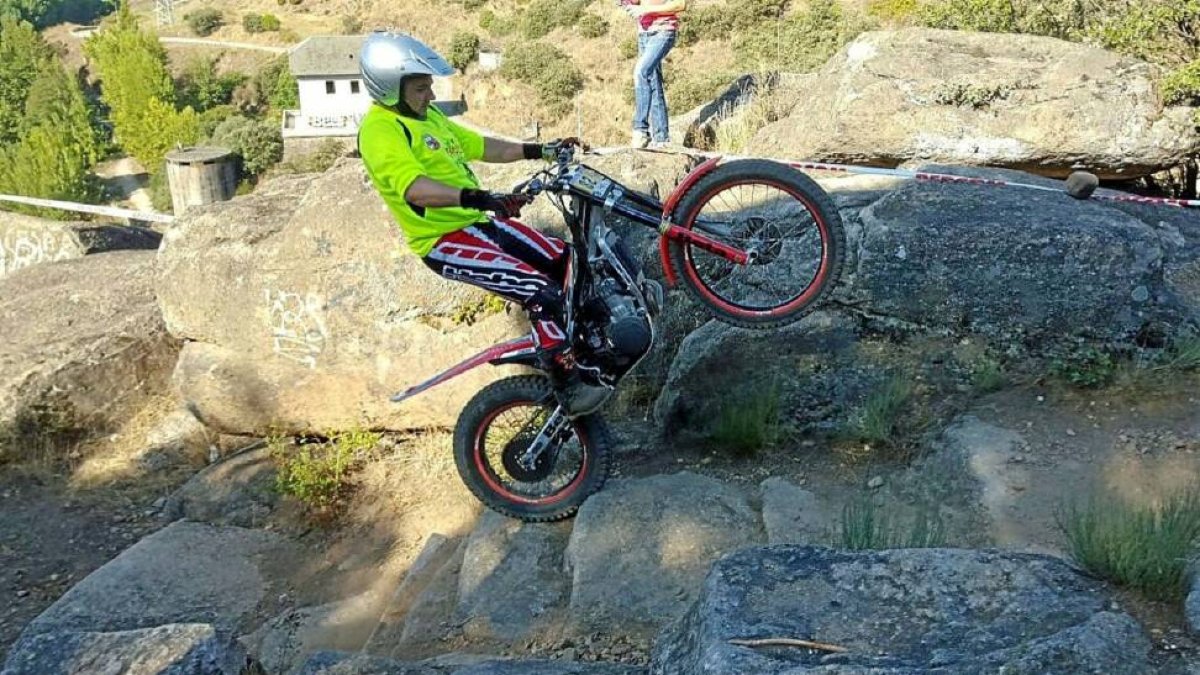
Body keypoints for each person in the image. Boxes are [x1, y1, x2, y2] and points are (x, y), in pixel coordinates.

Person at [356, 30, 607, 417]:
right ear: (391, 87)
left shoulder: (429, 116)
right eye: (422, 88)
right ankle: (568, 385)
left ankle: (586, 347)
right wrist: (481, 198)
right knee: (540, 292)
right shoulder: (380, 130)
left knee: (569, 261)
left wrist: (539, 149)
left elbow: (482, 146)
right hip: (443, 239)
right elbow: (415, 190)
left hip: (478, 223)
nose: (432, 95)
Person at [621, 0, 686, 148]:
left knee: (641, 72)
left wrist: (645, 9)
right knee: (653, 82)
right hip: (644, 34)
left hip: (663, 31)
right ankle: (661, 138)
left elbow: (680, 4)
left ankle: (640, 129)